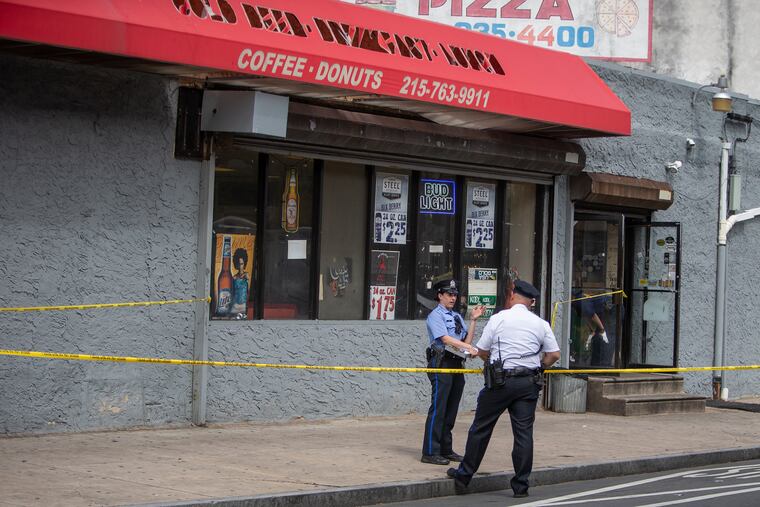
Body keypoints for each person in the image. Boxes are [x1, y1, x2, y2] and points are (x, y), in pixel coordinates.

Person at [446, 280, 560, 498]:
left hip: (500, 382)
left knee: (481, 428)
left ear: (513, 296)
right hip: (528, 383)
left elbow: (481, 350)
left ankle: (464, 477)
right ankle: (521, 486)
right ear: (531, 302)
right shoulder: (541, 323)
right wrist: (540, 367)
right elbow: (554, 354)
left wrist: (491, 361)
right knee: (523, 434)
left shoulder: (499, 318)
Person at [421, 279, 485, 465]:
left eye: (455, 295)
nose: (453, 298)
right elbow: (445, 339)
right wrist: (468, 347)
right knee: (439, 408)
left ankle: (445, 449)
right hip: (441, 362)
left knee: (451, 409)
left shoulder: (456, 316)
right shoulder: (435, 316)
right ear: (440, 295)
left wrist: (473, 321)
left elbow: (465, 341)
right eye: (449, 294)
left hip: (457, 363)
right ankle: (430, 451)